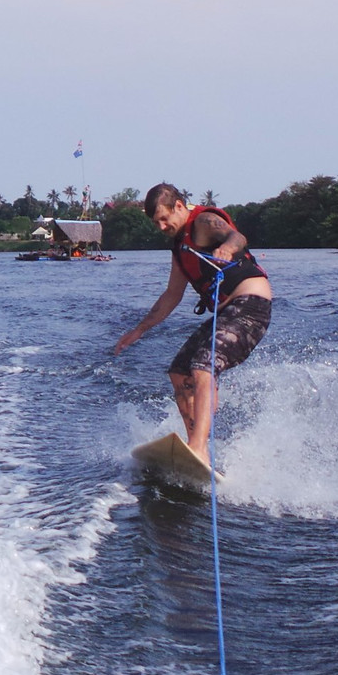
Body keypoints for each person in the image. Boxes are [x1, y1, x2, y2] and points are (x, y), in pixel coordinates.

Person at [114, 183, 272, 465]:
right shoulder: (180, 248)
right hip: (227, 313)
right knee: (179, 372)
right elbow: (172, 295)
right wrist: (139, 330)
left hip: (251, 306)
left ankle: (198, 447)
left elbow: (238, 236)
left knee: (203, 366)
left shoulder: (203, 222)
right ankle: (197, 450)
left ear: (178, 207)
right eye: (156, 223)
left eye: (164, 219)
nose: (161, 226)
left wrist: (226, 246)